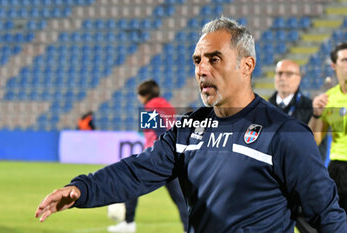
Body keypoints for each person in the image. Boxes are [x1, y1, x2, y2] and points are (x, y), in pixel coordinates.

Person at [35, 17, 347, 233]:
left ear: (247, 65)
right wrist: (81, 189)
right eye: (197, 60)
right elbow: (137, 171)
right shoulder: (188, 129)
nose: (201, 69)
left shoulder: (285, 133)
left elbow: (325, 215)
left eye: (214, 59)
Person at [107, 80, 188, 233]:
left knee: (130, 182)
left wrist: (155, 150)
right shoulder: (168, 107)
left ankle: (128, 223)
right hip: (172, 157)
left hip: (156, 156)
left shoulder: (150, 107)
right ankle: (188, 228)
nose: (138, 98)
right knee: (179, 197)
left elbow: (158, 131)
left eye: (139, 95)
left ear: (144, 95)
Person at [268, 60, 317, 233]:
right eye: (279, 73)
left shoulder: (312, 108)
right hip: (273, 188)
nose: (283, 78)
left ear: (299, 78)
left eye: (289, 74)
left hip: (303, 185)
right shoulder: (262, 109)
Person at [308, 42, 347, 214]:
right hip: (339, 168)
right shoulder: (328, 99)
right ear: (334, 65)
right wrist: (316, 114)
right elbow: (314, 139)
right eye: (345, 60)